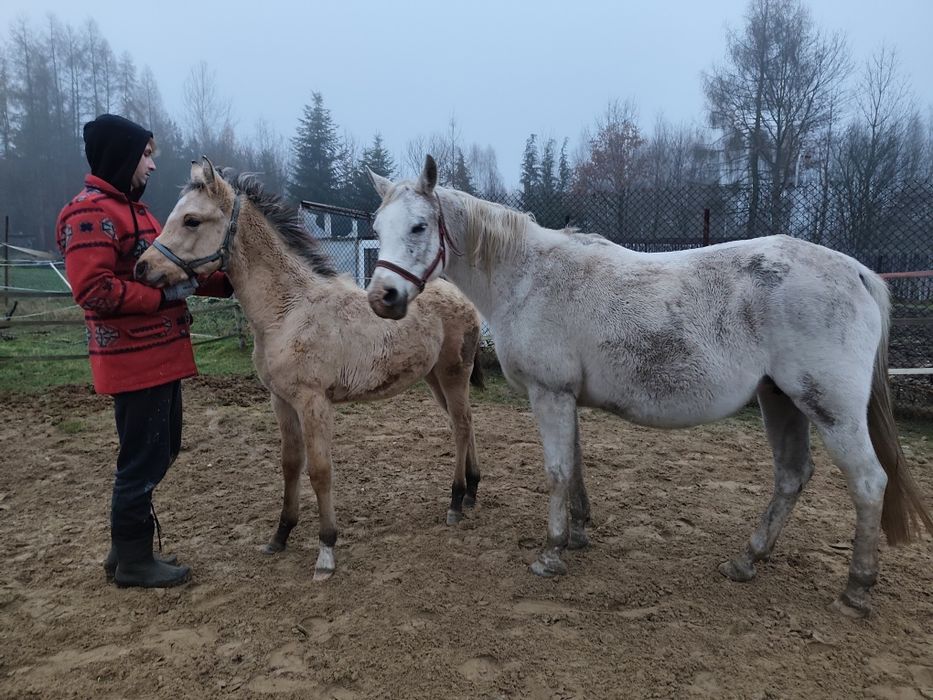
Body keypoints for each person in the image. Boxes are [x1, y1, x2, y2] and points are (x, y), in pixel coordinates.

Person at [56, 114, 232, 588]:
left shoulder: (139, 212)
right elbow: (94, 289)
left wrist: (230, 280)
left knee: (161, 448)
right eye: (146, 155)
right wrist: (159, 298)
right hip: (133, 361)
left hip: (160, 355)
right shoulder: (88, 213)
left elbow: (178, 270)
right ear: (122, 156)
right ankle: (133, 558)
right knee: (142, 459)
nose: (152, 166)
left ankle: (123, 550)